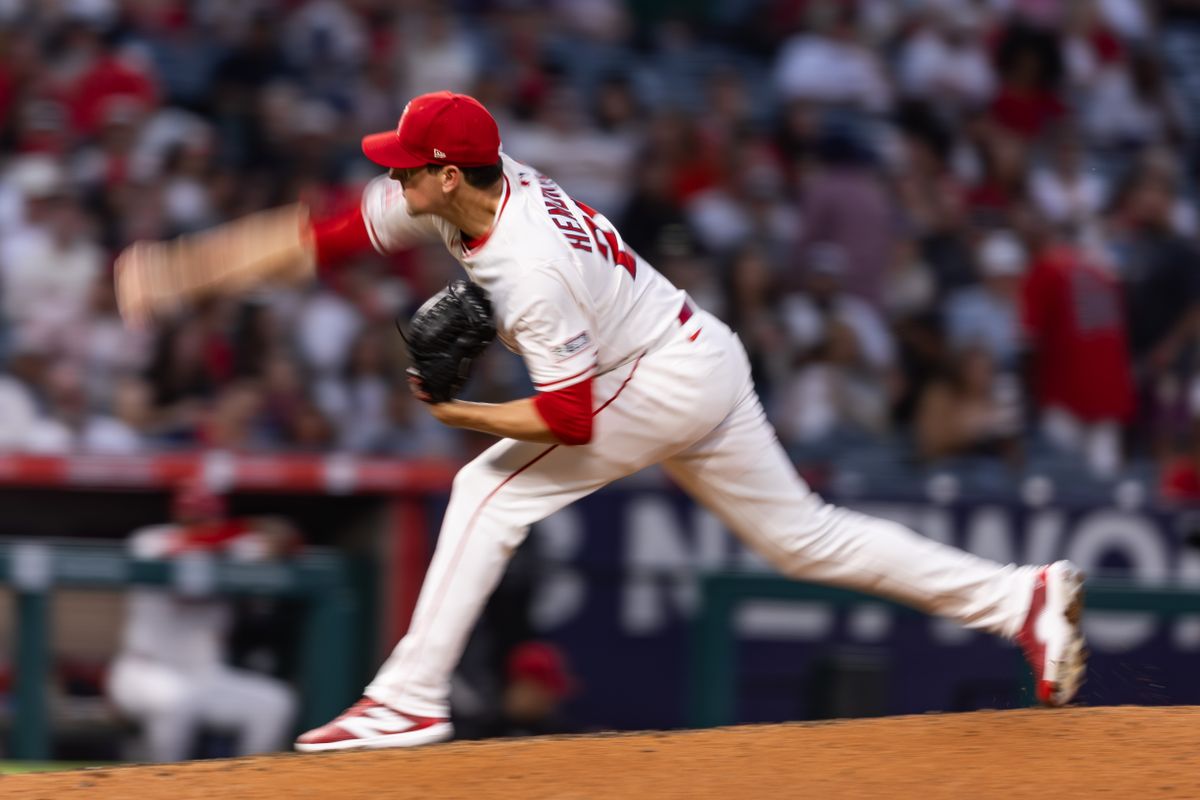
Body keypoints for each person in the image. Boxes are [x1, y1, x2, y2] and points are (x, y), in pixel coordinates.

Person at [114, 91, 1086, 753]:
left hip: (653, 377)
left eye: (410, 168)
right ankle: (1019, 599)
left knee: (485, 486)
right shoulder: (472, 187)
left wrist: (463, 411)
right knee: (806, 538)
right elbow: (318, 234)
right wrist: (185, 270)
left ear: (450, 174)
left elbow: (571, 420)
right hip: (692, 349)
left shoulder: (525, 266)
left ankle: (407, 696)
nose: (396, 180)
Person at [106, 481, 298, 762]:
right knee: (176, 703)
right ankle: (162, 790)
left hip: (204, 675)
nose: (202, 524)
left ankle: (248, 788)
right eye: (194, 517)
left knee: (275, 703)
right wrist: (244, 528)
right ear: (178, 516)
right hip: (143, 672)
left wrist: (275, 536)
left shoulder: (232, 549)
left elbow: (285, 543)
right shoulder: (150, 540)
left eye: (208, 517)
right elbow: (184, 548)